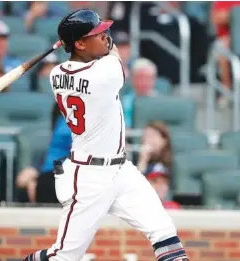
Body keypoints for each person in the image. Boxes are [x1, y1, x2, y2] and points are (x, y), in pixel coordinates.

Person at [23, 9, 189, 261]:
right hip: (88, 176)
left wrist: (82, 37)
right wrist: (106, 41)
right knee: (64, 256)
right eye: (97, 33)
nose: (105, 36)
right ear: (79, 43)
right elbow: (112, 54)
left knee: (163, 231)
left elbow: (92, 56)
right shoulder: (105, 74)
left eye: (103, 32)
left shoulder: (57, 75)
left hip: (121, 170)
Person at [16, 103, 71, 204]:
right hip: (52, 173)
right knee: (23, 180)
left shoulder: (67, 124)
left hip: (58, 173)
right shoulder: (62, 123)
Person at [137, 121, 181, 210]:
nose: (147, 140)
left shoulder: (174, 163)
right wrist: (143, 160)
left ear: (164, 140)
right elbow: (134, 186)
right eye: (145, 136)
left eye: (152, 136)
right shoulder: (139, 161)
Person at [122, 58, 158, 128]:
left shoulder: (161, 101)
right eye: (140, 78)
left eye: (147, 78)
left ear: (154, 79)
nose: (143, 82)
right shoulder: (124, 102)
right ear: (132, 79)